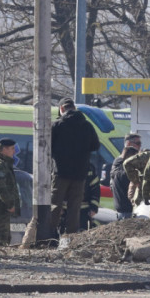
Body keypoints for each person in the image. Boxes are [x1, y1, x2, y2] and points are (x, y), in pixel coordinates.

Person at [50, 97, 100, 236]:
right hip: (80, 174)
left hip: (60, 173)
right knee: (74, 207)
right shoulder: (87, 126)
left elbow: (48, 147)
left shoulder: (57, 125)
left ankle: (48, 237)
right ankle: (70, 238)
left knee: (55, 205)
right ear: (74, 108)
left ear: (61, 109)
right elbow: (95, 145)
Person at [110, 145, 139, 219]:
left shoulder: (116, 169)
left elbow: (119, 160)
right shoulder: (126, 174)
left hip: (120, 211)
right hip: (128, 212)